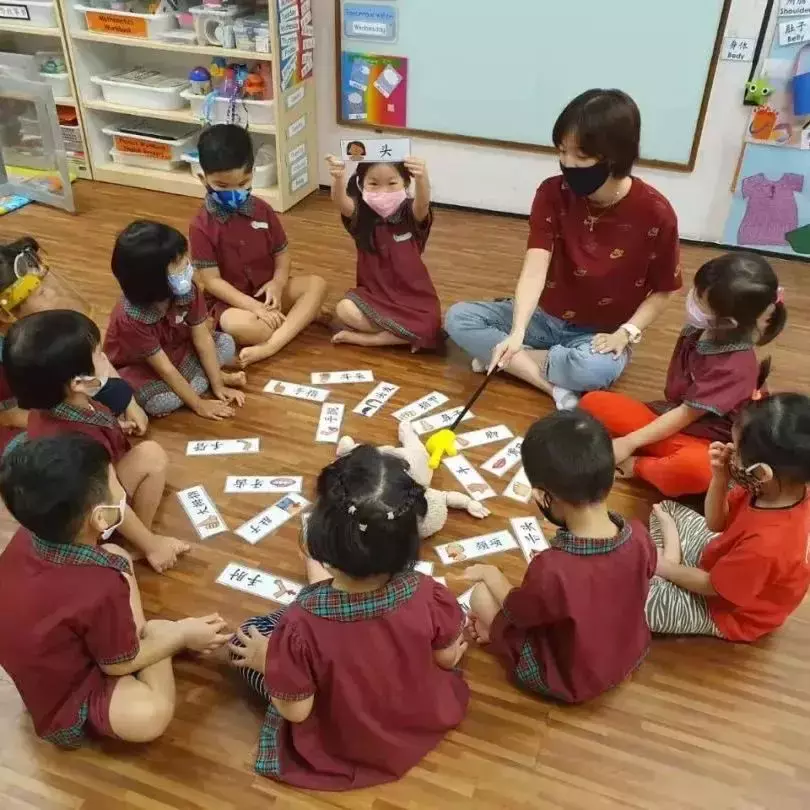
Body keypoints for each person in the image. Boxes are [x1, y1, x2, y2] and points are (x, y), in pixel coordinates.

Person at [228, 444, 470, 789]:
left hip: (343, 737)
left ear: (323, 538)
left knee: (245, 638)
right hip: (414, 712)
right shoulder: (426, 591)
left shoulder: (300, 625)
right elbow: (446, 658)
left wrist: (267, 660)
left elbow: (296, 712)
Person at [444, 89, 681, 410]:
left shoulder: (656, 212)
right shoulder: (552, 192)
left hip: (598, 333)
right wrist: (516, 332)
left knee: (594, 368)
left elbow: (664, 289)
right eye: (562, 152)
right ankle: (552, 386)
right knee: (458, 319)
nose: (567, 164)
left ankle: (505, 360)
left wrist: (627, 333)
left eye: (581, 157)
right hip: (544, 317)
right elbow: (536, 264)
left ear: (616, 155)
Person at [0, 434, 230, 749]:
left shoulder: (27, 536)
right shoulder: (98, 583)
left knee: (118, 556)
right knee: (150, 715)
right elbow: (115, 665)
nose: (121, 491)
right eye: (115, 487)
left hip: (45, 660)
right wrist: (179, 635)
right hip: (66, 692)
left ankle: (138, 639)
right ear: (100, 516)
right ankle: (156, 635)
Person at [464, 410, 655, 703]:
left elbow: (519, 613)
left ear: (543, 496)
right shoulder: (640, 535)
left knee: (481, 596)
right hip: (629, 651)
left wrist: (491, 574)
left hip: (569, 678)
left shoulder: (553, 569)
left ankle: (495, 637)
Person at [581, 253, 786, 497]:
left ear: (729, 322)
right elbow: (677, 408)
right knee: (591, 403)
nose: (691, 300)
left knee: (696, 471)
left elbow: (685, 415)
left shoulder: (735, 367)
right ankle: (654, 450)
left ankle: (640, 466)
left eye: (699, 299)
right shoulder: (701, 328)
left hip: (704, 441)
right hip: (671, 417)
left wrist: (630, 443)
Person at [4, 309, 188, 573]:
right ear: (77, 383)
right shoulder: (75, 439)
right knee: (153, 457)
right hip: (89, 514)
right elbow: (108, 495)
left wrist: (115, 426)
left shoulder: (55, 401)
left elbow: (100, 406)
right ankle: (138, 542)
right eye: (98, 356)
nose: (105, 359)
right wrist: (153, 546)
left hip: (82, 497)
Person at [646, 393, 810, 641]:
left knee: (634, 602)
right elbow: (716, 524)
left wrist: (663, 566)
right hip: (720, 559)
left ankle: (667, 566)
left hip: (727, 611)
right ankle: (671, 561)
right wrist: (720, 478)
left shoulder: (767, 546)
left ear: (763, 471)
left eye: (737, 451)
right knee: (666, 509)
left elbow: (712, 587)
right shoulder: (773, 487)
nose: (731, 453)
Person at [190, 124, 327, 367]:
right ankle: (300, 319)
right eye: (222, 186)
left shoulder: (262, 209)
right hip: (232, 304)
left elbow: (282, 253)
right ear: (204, 179)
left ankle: (272, 345)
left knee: (317, 284)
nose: (235, 192)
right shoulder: (201, 226)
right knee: (243, 326)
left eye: (243, 182)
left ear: (252, 173)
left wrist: (278, 282)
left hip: (269, 295)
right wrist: (254, 307)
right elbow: (212, 282)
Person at [0, 237, 147, 450]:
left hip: (57, 391)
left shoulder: (41, 324)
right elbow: (10, 416)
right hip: (25, 417)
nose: (53, 293)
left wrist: (129, 403)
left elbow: (92, 353)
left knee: (114, 393)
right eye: (41, 293)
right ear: (6, 315)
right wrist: (92, 422)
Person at [104, 220, 246, 420]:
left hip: (179, 350)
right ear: (152, 280)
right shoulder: (131, 319)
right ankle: (203, 380)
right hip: (145, 369)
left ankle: (207, 379)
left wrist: (218, 386)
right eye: (179, 265)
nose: (188, 266)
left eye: (184, 259)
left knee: (226, 343)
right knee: (161, 402)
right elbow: (164, 368)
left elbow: (202, 337)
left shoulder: (186, 290)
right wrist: (199, 405)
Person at [325, 153, 442, 350]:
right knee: (344, 309)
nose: (383, 192)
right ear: (362, 184)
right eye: (374, 184)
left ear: (405, 183)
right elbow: (340, 202)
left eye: (392, 183)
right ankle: (403, 335)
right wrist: (337, 178)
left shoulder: (410, 214)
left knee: (431, 324)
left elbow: (422, 204)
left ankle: (372, 339)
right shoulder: (361, 215)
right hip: (375, 296)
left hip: (415, 300)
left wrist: (422, 178)